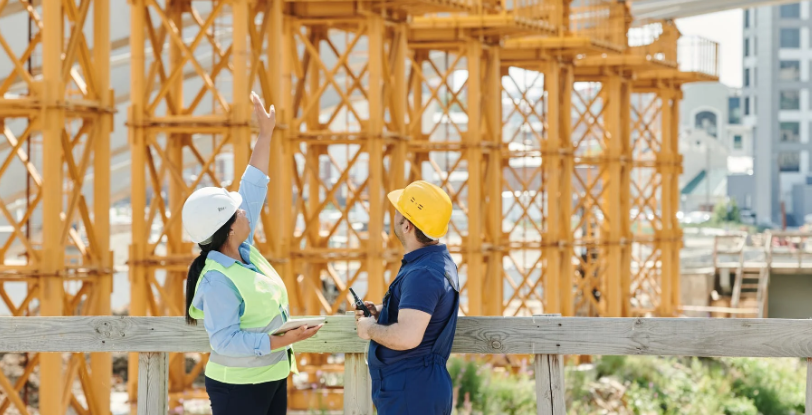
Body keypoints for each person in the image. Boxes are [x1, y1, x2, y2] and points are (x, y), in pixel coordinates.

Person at [182, 92, 323, 415]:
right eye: (238, 211)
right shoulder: (218, 280)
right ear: (229, 228)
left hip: (271, 376)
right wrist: (283, 341)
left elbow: (254, 186)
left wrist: (266, 133)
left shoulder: (245, 252)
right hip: (238, 386)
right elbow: (224, 342)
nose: (245, 210)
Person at [355, 181, 459, 415]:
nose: (394, 214)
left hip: (410, 391)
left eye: (398, 211)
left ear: (407, 226)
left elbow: (407, 337)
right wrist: (384, 311)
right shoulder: (435, 263)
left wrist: (369, 328)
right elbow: (426, 312)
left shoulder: (423, 273)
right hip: (418, 388)